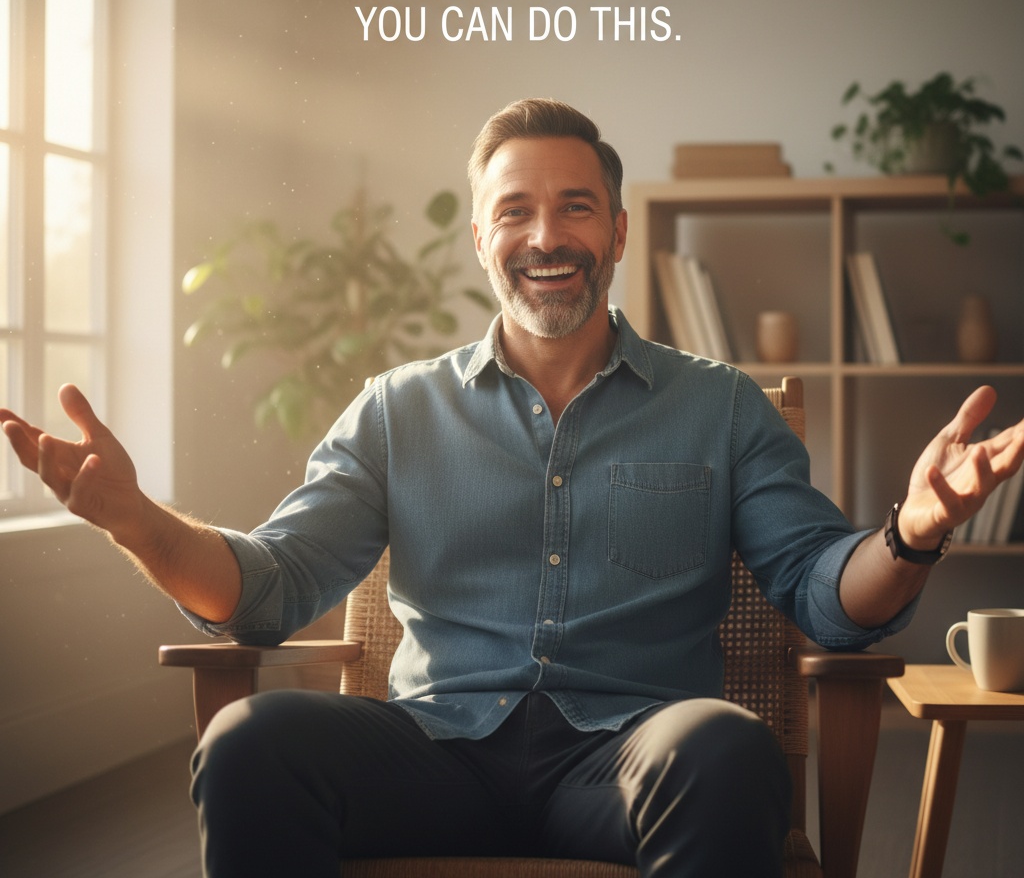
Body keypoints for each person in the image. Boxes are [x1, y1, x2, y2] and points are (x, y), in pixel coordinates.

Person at [3, 98, 1023, 878]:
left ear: (618, 232)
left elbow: (821, 595)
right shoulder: (396, 408)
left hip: (630, 756)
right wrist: (135, 521)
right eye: (515, 211)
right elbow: (270, 589)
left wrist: (913, 529)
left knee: (724, 747)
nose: (546, 236)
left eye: (575, 207)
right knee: (252, 742)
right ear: (483, 239)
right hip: (432, 751)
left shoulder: (721, 406)